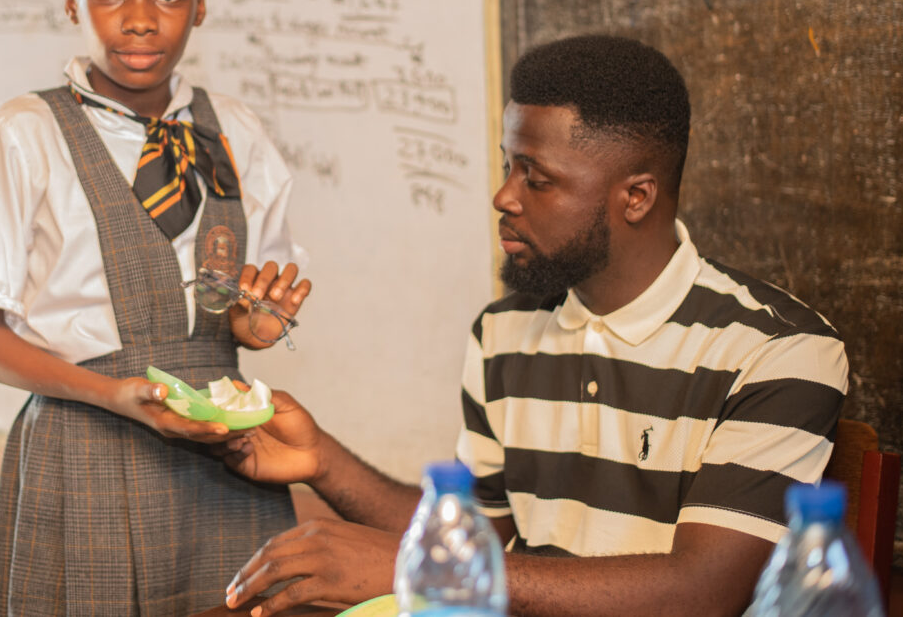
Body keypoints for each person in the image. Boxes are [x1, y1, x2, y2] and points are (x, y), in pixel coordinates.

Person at [218, 35, 848, 617]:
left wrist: (418, 568)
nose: (504, 197)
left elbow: (705, 592)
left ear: (636, 197)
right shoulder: (504, 334)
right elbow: (481, 539)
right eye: (507, 167)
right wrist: (321, 460)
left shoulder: (777, 351)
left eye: (537, 179)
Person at [0, 0, 312, 616]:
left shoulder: (237, 133)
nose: (139, 19)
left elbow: (240, 309)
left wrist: (253, 326)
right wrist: (111, 394)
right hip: (84, 446)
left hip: (226, 458)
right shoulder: (24, 132)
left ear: (200, 5)